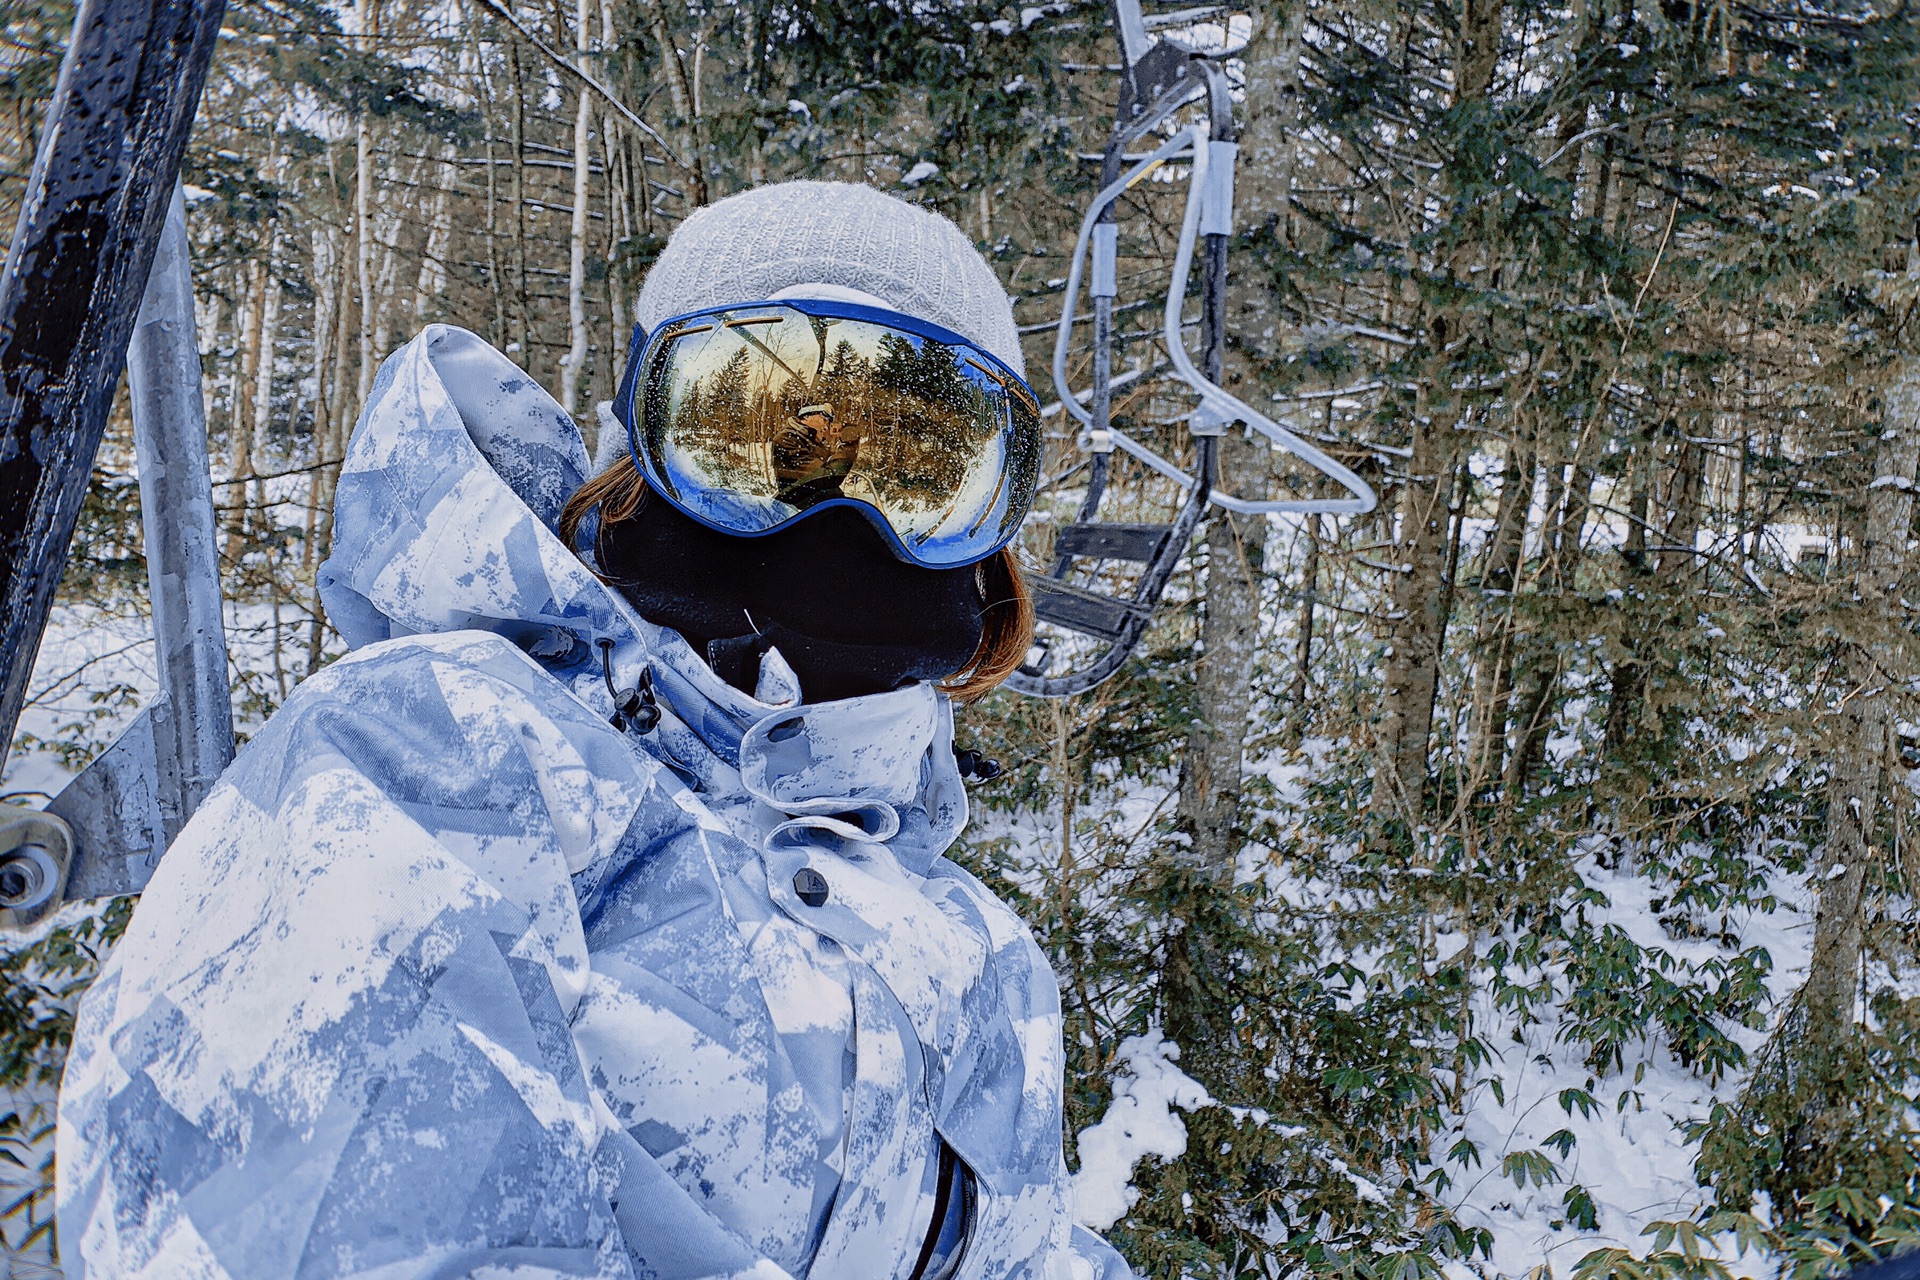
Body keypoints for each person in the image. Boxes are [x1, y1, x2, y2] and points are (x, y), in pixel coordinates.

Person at [55, 180, 1130, 1280]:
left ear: (990, 528)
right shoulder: (437, 748)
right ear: (640, 448)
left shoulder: (979, 946)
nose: (834, 505)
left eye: (916, 467)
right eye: (757, 433)